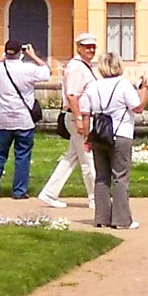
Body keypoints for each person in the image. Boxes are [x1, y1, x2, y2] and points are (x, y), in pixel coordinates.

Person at [81, 50, 145, 229]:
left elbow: (85, 113)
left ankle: (101, 217)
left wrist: (87, 136)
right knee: (120, 176)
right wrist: (144, 89)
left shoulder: (93, 86)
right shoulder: (123, 85)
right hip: (121, 132)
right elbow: (137, 107)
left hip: (99, 134)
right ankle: (122, 219)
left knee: (101, 177)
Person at [37, 32, 101, 209]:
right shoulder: (76, 67)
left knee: (71, 157)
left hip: (78, 116)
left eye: (93, 47)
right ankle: (95, 198)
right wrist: (80, 118)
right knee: (88, 158)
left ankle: (49, 192)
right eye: (87, 46)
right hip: (76, 117)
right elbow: (72, 95)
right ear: (78, 47)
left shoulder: (84, 66)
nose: (91, 49)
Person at [0, 38, 44, 201]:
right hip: (24, 119)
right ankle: (19, 191)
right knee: (22, 155)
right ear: (20, 52)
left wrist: (3, 57)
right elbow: (46, 72)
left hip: (3, 119)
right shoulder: (28, 69)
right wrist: (33, 55)